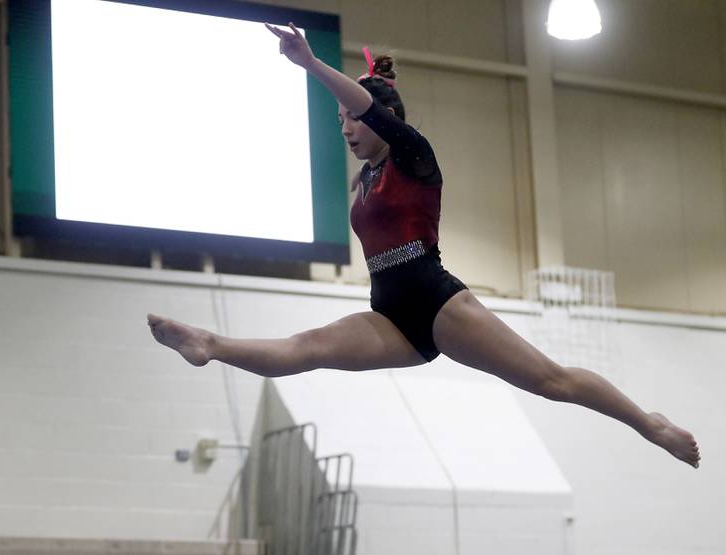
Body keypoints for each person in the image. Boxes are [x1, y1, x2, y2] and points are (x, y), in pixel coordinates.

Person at [148, 22, 701, 469]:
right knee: (307, 347)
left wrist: (312, 65)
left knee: (550, 381)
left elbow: (370, 110)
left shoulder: (416, 159)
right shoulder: (361, 180)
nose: (345, 128)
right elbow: (363, 119)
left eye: (352, 118)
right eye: (339, 120)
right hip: (388, 311)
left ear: (383, 121)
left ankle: (649, 425)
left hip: (436, 299)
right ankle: (209, 344)